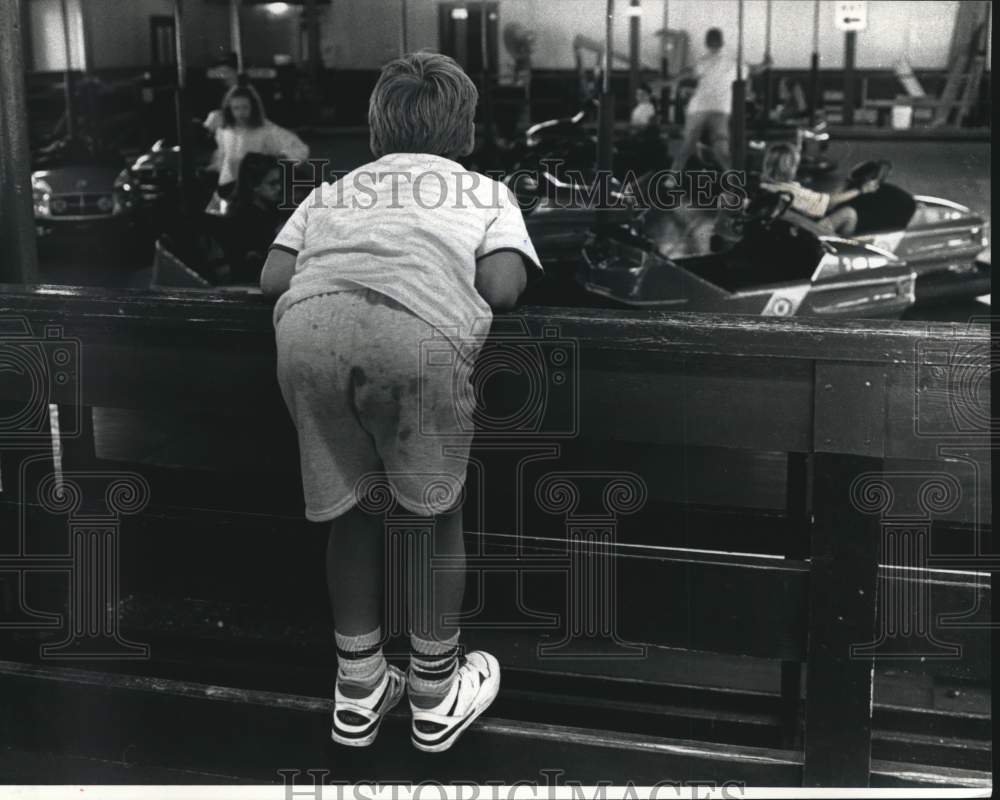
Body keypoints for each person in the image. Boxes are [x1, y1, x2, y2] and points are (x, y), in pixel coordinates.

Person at [259, 52, 541, 751]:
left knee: (350, 510)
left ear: (375, 128)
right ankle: (434, 694)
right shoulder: (484, 191)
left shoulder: (334, 188)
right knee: (433, 516)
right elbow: (502, 288)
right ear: (467, 130)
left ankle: (357, 693)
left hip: (307, 336)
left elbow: (272, 276)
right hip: (413, 346)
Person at [671, 28, 766, 173]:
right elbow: (755, 70)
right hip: (720, 109)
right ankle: (734, 180)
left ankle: (672, 178)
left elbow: (686, 73)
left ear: (706, 43)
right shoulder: (735, 63)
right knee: (720, 148)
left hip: (698, 108)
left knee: (687, 145)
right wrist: (767, 63)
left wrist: (671, 81)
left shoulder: (703, 61)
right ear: (722, 43)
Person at [209, 84, 309, 199]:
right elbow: (222, 155)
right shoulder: (224, 130)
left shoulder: (265, 129)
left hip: (254, 188)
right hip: (227, 185)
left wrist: (282, 160)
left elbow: (299, 147)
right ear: (229, 109)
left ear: (253, 107)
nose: (241, 113)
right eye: (236, 108)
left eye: (245, 107)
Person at [759, 142, 878, 235]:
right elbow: (828, 203)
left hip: (790, 226)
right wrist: (860, 191)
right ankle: (840, 254)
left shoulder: (765, 186)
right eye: (795, 165)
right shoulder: (791, 192)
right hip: (808, 233)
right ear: (788, 167)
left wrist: (846, 183)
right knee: (849, 214)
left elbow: (823, 201)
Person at [219, 153, 285, 284]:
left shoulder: (271, 208)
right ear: (254, 185)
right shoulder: (240, 218)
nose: (279, 188)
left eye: (279, 182)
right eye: (273, 184)